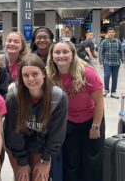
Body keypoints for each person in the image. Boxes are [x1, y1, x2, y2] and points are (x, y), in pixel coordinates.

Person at [46, 41, 105, 181]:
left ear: (73, 54)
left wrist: (95, 126)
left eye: (65, 52)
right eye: (57, 52)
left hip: (91, 119)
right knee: (71, 162)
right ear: (52, 56)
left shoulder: (87, 72)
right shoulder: (49, 75)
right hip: (68, 122)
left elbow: (99, 102)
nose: (61, 55)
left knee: (91, 162)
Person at [4, 54, 68, 181]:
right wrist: (22, 162)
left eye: (35, 74)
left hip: (41, 143)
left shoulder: (58, 97)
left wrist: (45, 159)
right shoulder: (14, 98)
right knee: (23, 177)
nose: (31, 79)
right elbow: (13, 133)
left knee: (40, 177)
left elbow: (57, 134)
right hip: (17, 144)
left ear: (43, 73)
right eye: (26, 75)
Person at [98, 27, 123, 99]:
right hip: (107, 62)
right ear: (107, 33)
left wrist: (123, 61)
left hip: (116, 62)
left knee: (115, 77)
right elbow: (100, 53)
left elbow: (121, 51)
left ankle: (113, 92)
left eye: (112, 32)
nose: (111, 33)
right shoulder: (104, 42)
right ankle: (106, 90)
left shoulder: (118, 41)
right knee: (107, 75)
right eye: (110, 32)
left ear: (114, 33)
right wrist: (101, 63)